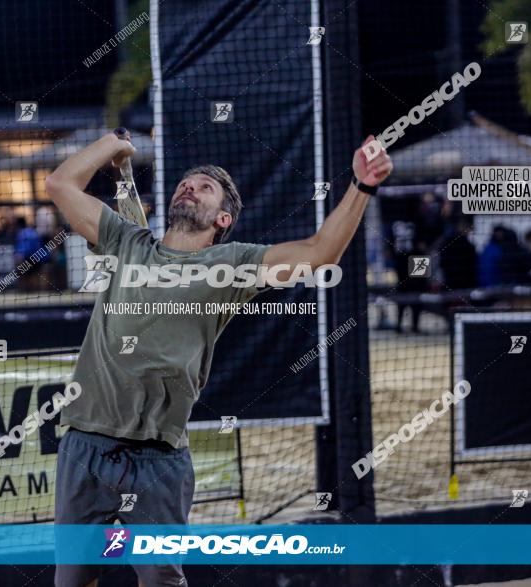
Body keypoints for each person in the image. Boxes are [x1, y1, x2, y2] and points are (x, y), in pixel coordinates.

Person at [45, 131, 393, 586]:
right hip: (86, 443)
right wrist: (114, 144)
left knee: (161, 581)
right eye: (186, 183)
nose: (190, 187)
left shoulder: (230, 265)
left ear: (223, 218)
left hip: (158, 459)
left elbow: (318, 252)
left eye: (205, 187)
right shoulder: (125, 241)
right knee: (73, 580)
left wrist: (361, 186)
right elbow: (60, 185)